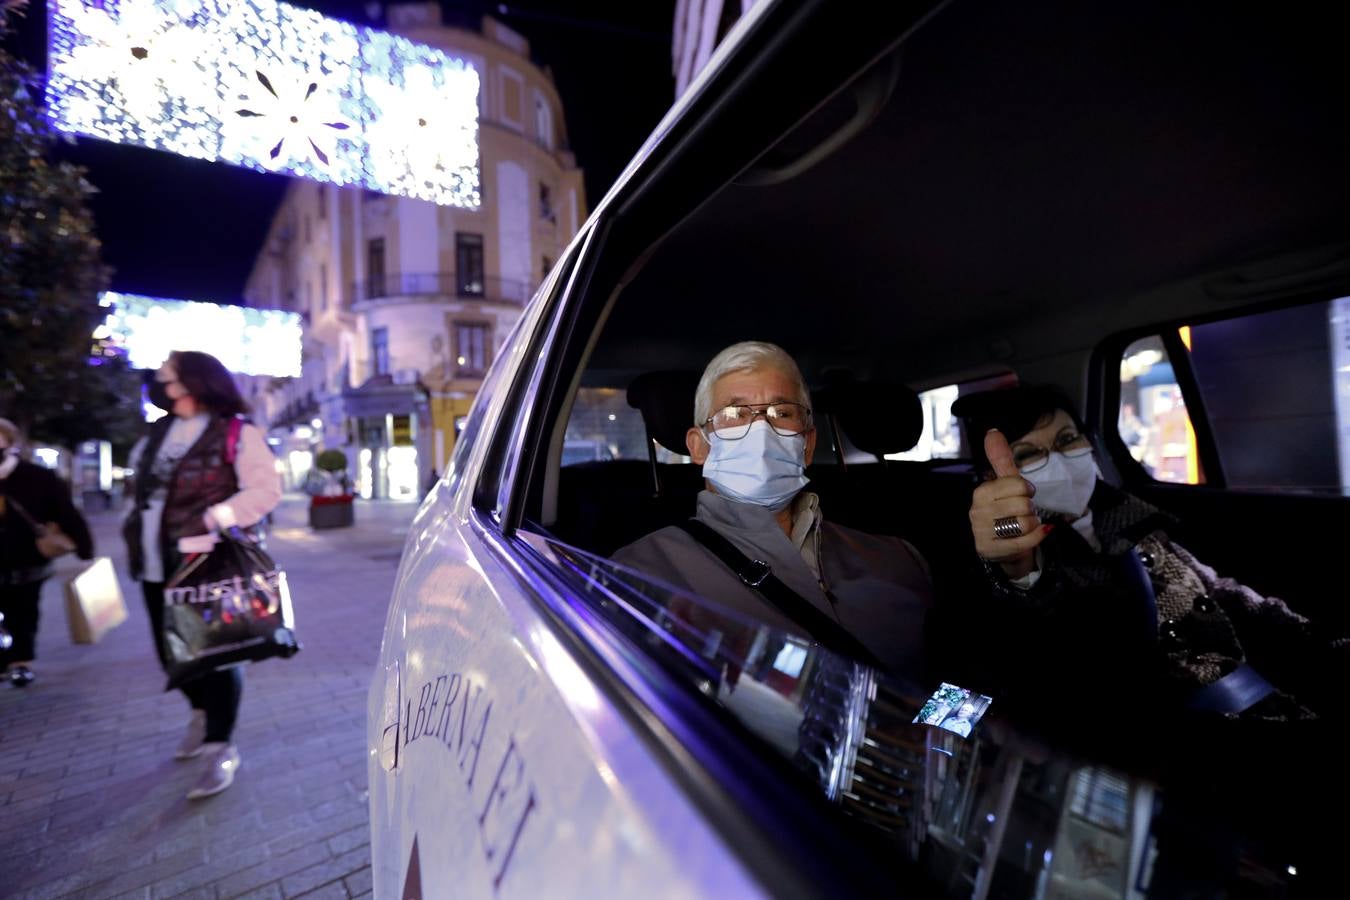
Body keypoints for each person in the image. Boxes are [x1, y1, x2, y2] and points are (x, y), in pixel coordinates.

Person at [953, 384, 1345, 722]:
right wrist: (1018, 570)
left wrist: (1314, 638)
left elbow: (1214, 590)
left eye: (1067, 439)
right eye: (1028, 455)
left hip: (1250, 694)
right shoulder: (1022, 556)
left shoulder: (1126, 517)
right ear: (995, 477)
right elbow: (1041, 638)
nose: (1058, 460)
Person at [612, 341, 932, 674]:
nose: (761, 429)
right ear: (700, 447)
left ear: (807, 445)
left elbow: (956, 681)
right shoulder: (637, 575)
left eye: (782, 413)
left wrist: (929, 725)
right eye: (735, 414)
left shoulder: (900, 560)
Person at [123, 352, 281, 799]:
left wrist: (215, 517)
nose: (160, 386)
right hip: (154, 560)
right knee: (172, 651)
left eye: (168, 378)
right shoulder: (157, 432)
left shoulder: (237, 433)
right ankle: (199, 712)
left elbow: (266, 490)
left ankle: (219, 746)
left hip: (205, 563)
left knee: (216, 651)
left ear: (195, 382)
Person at [0, 418, 94, 687]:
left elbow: (66, 513)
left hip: (27, 558)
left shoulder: (37, 477)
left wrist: (84, 548)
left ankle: (20, 662)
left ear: (10, 443)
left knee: (23, 612)